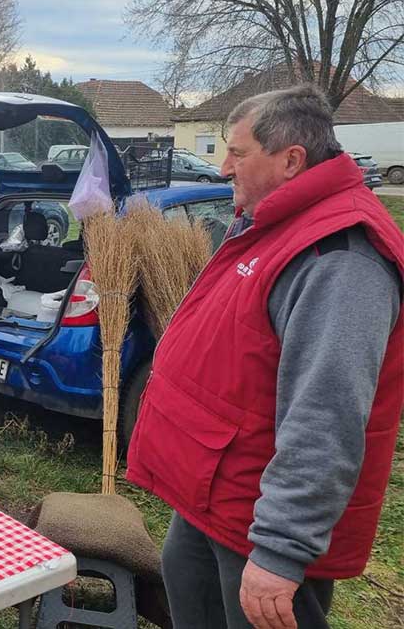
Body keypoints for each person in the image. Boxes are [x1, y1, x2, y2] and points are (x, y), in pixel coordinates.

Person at [126, 84, 404, 629]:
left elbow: (327, 416)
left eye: (238, 152)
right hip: (217, 493)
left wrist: (281, 549)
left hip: (263, 515)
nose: (223, 167)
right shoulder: (276, 224)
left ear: (291, 160)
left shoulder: (339, 257)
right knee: (183, 580)